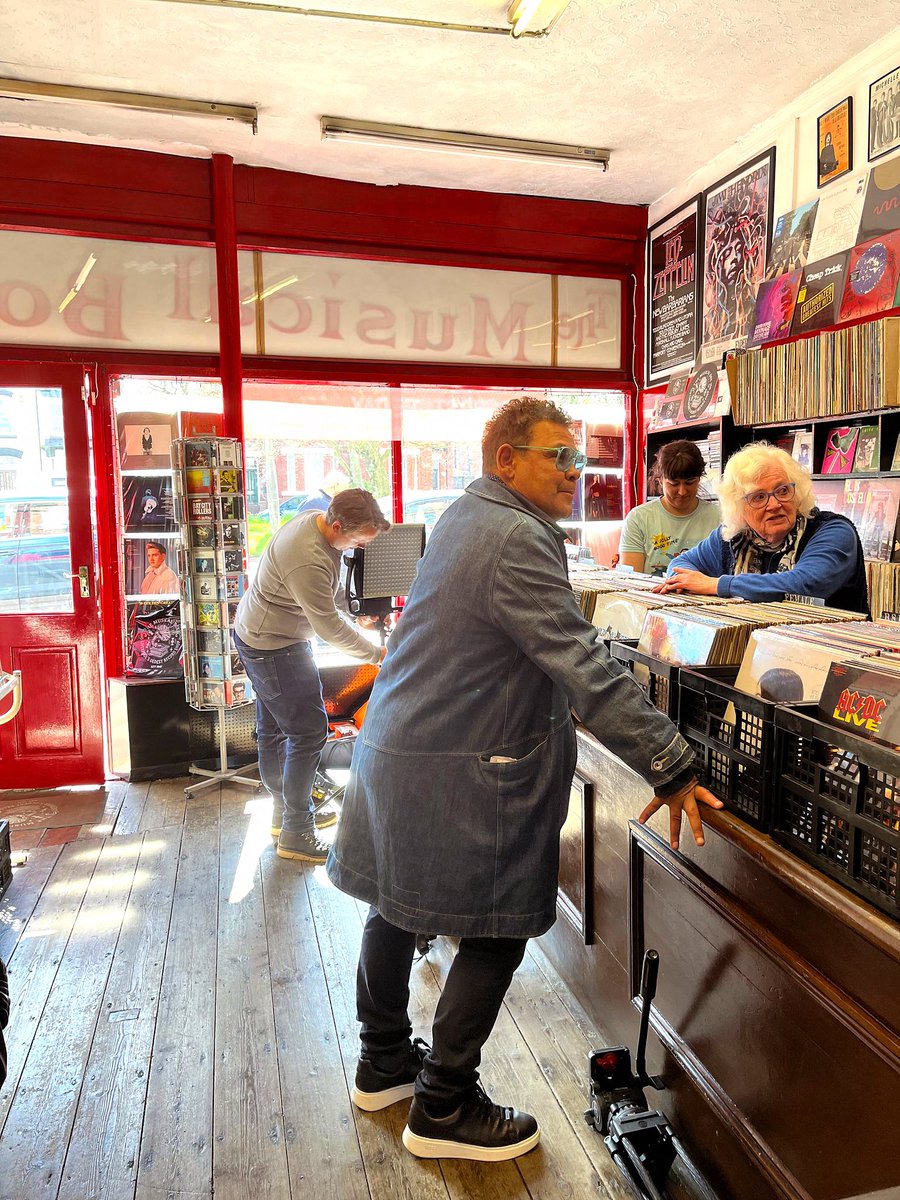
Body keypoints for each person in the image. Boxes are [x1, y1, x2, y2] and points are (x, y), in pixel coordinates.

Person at [326, 396, 721, 1163]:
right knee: (498, 927)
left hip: (401, 751)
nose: (576, 473)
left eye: (577, 457)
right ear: (507, 460)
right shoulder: (514, 534)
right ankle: (442, 1106)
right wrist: (670, 763)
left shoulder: (468, 514)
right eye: (559, 457)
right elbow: (582, 666)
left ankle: (383, 1064)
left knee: (395, 907)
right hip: (459, 766)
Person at [233, 489, 388, 863]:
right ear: (337, 525)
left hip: (260, 635)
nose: (362, 547)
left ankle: (282, 815)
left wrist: (354, 614)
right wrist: (379, 655)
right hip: (275, 646)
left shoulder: (315, 523)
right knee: (308, 733)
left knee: (274, 729)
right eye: (359, 539)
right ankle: (297, 833)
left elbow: (325, 594)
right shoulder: (306, 557)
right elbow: (328, 629)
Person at [653, 442, 869, 611]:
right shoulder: (734, 536)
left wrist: (717, 585)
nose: (774, 504)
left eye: (783, 491)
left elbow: (804, 585)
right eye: (759, 497)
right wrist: (688, 581)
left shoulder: (834, 531)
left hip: (827, 659)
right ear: (739, 507)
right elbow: (681, 564)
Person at [618, 440, 721, 576]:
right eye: (674, 484)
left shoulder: (719, 517)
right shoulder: (639, 518)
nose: (682, 491)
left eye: (690, 483)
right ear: (660, 480)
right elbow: (631, 579)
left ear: (699, 478)